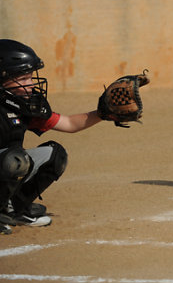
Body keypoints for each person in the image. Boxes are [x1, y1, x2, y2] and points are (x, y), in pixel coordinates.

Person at [0, 40, 124, 234]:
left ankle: (15, 208)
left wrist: (103, 113)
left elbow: (69, 124)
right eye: (23, 79)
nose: (30, 84)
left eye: (30, 77)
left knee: (55, 156)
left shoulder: (20, 105)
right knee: (14, 160)